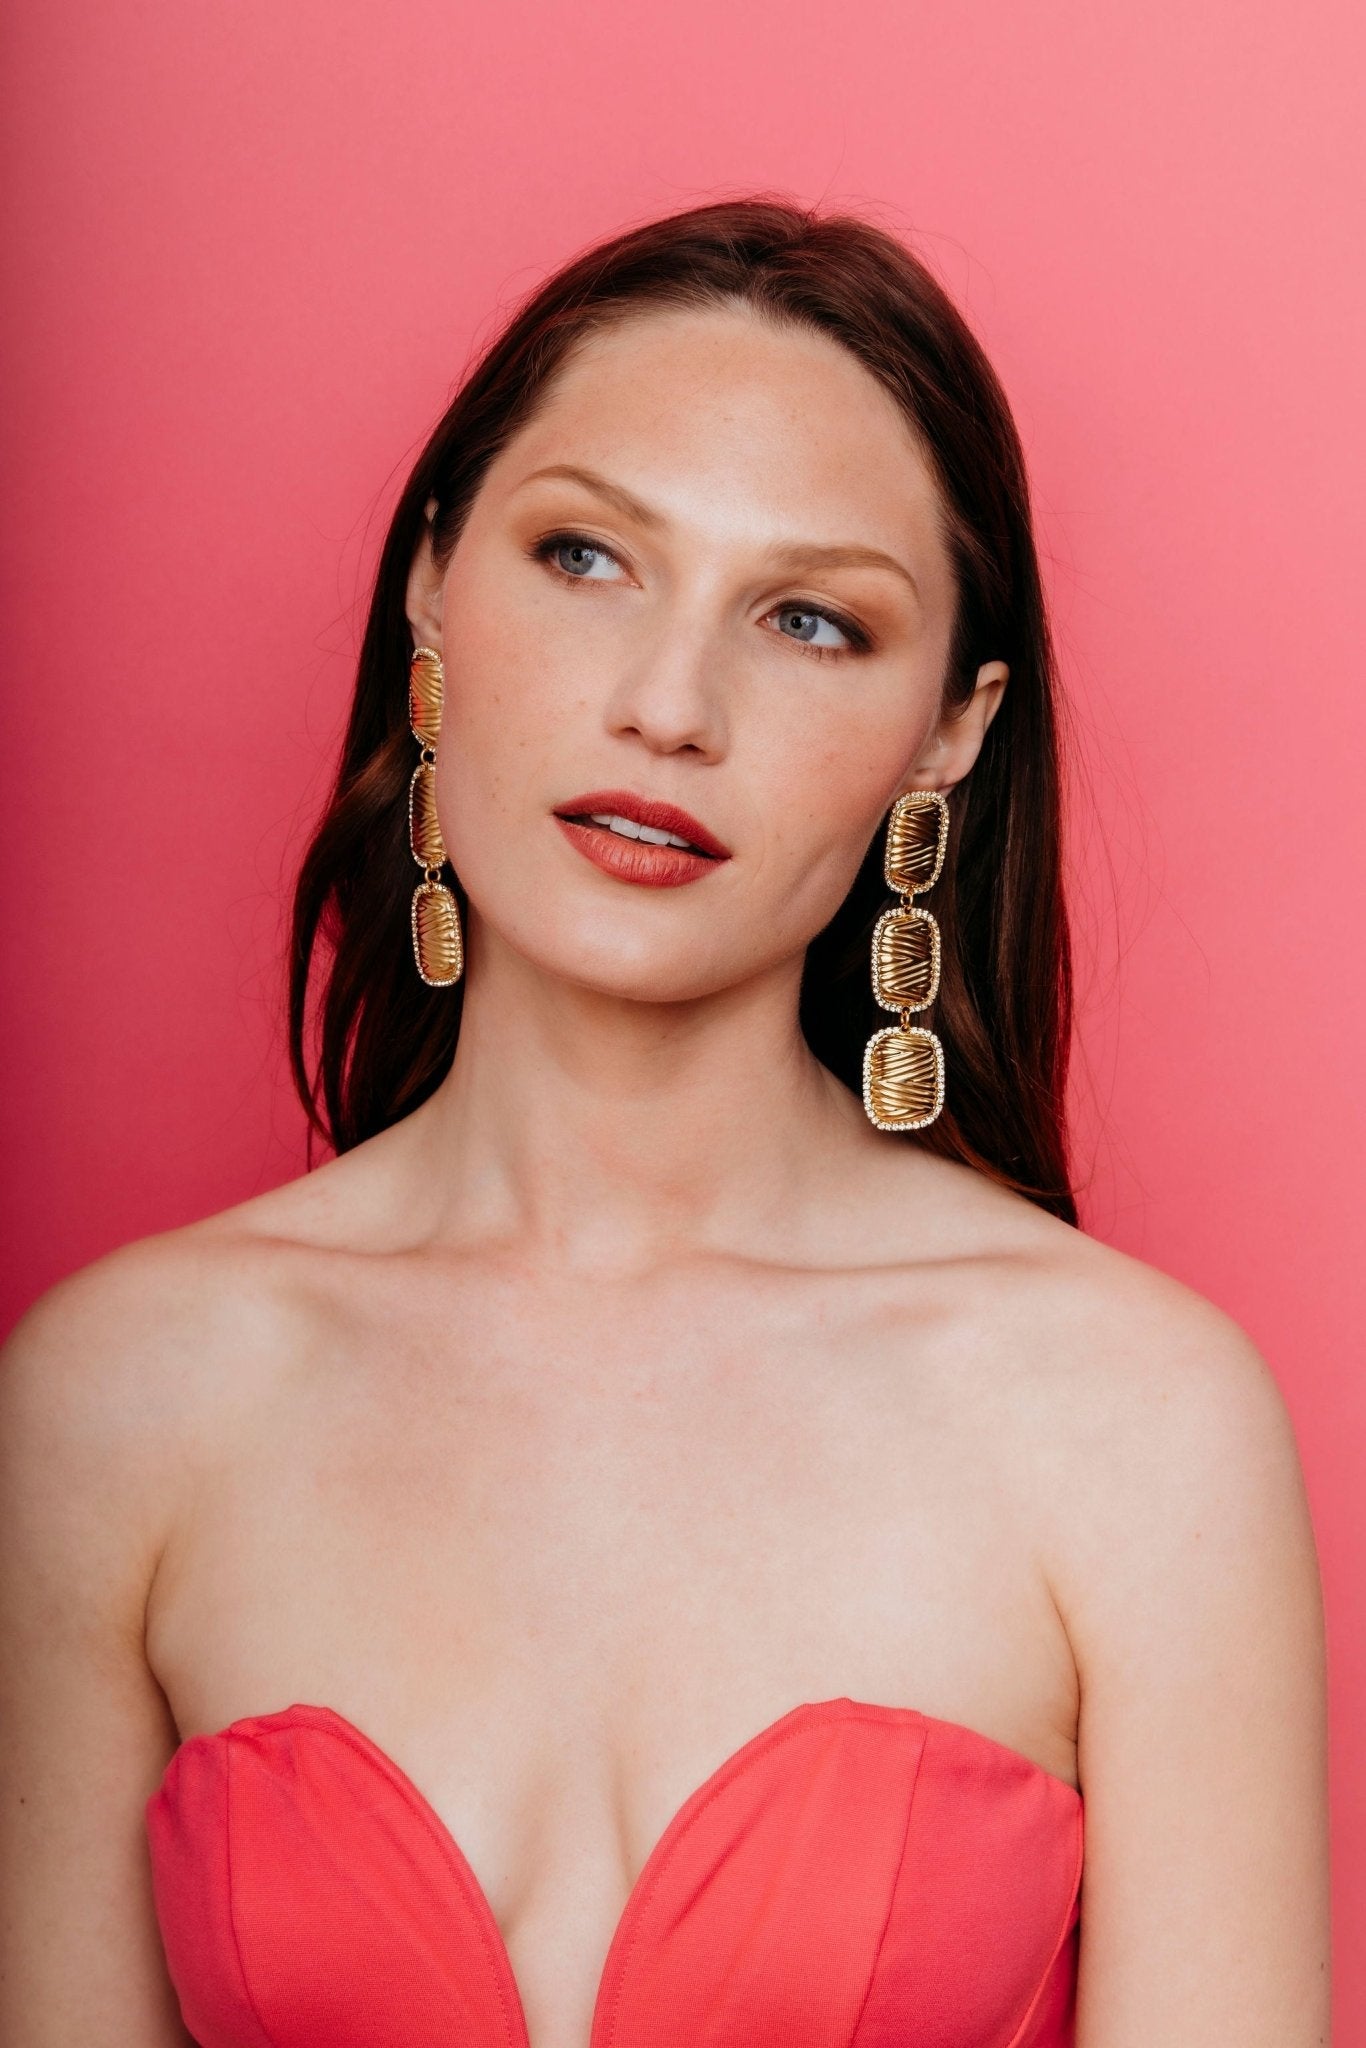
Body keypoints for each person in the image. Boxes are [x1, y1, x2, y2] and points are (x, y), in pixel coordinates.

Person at [0, 197, 1330, 2047]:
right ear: (431, 586)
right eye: (585, 557)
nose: (668, 706)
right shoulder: (120, 1404)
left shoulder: (1129, 1423)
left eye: (810, 621)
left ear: (948, 733)